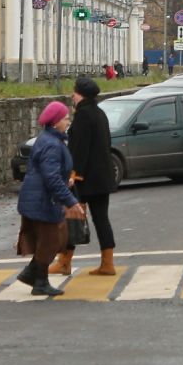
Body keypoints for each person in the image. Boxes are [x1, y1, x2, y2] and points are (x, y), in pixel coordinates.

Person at [17, 102, 85, 296]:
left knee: (54, 239)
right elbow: (51, 177)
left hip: (40, 197)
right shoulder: (51, 144)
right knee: (52, 240)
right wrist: (71, 201)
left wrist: (67, 180)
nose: (68, 121)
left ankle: (33, 274)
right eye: (65, 118)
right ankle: (39, 281)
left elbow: (52, 174)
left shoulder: (50, 139)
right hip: (42, 199)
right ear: (55, 122)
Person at [59, 76, 118, 277]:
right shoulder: (100, 113)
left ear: (81, 95)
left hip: (85, 180)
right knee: (102, 220)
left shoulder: (83, 116)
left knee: (71, 217)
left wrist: (73, 175)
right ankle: (107, 263)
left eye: (74, 93)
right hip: (103, 178)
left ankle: (64, 262)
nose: (72, 96)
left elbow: (79, 149)